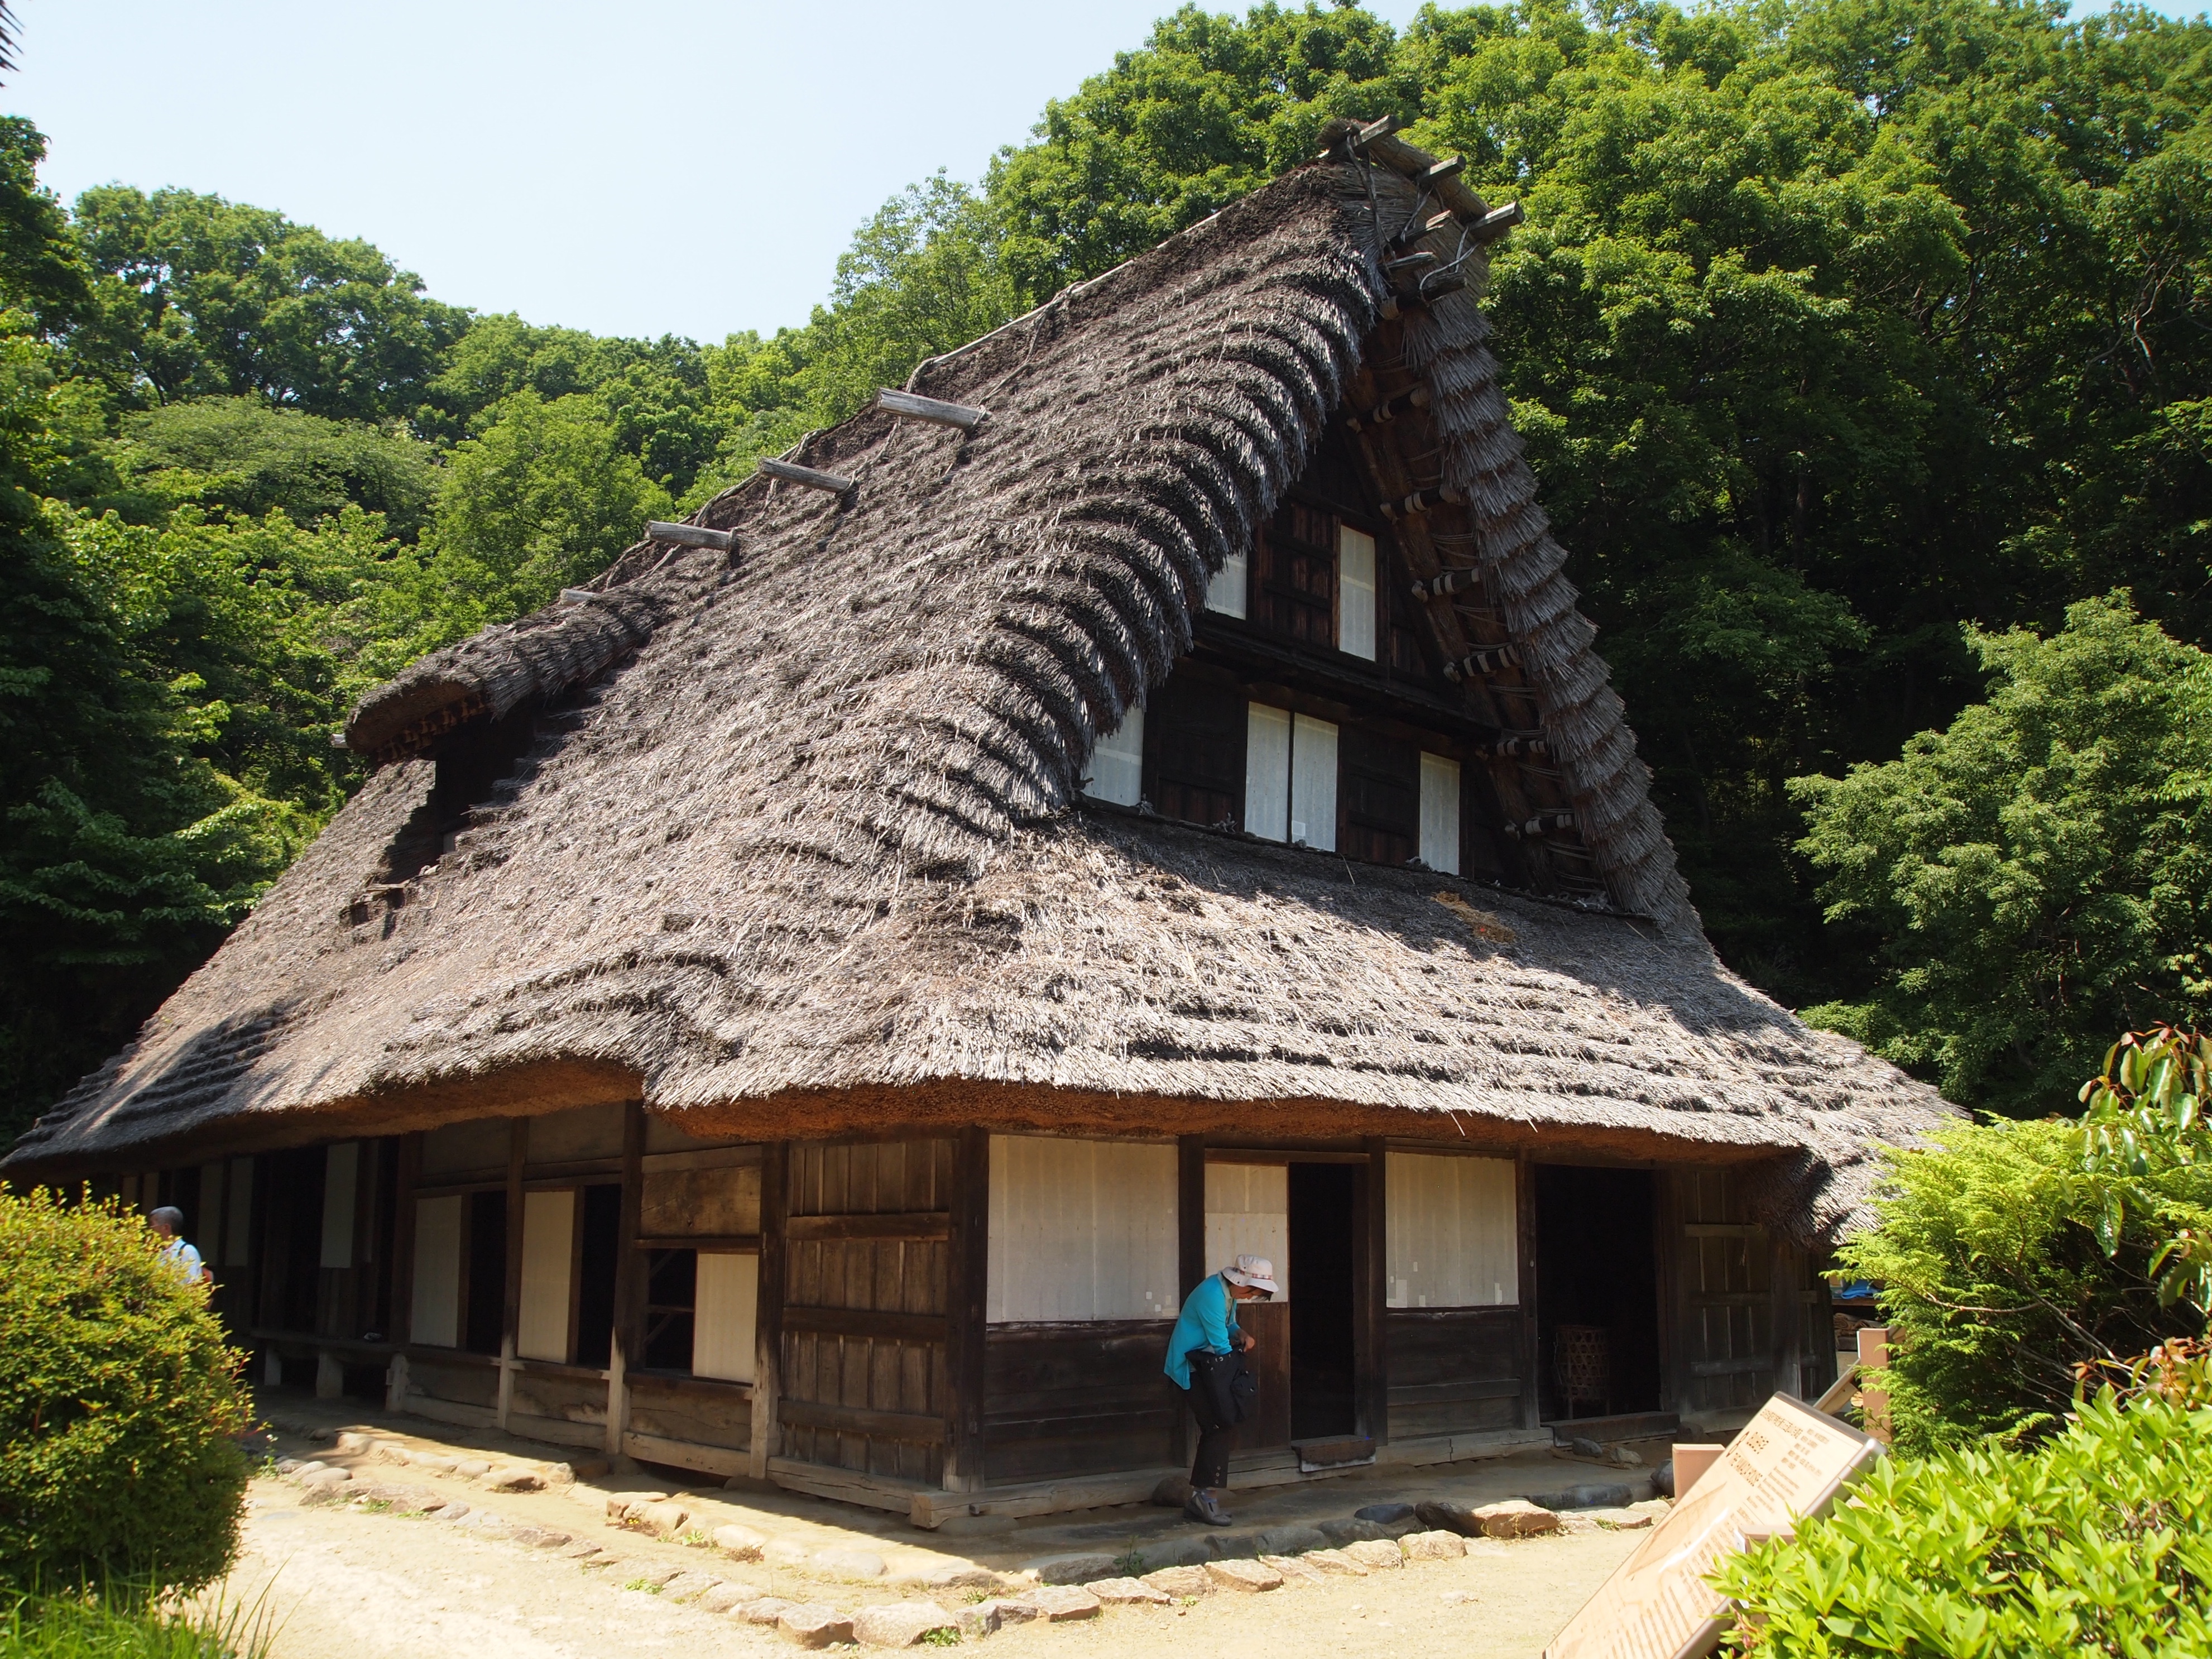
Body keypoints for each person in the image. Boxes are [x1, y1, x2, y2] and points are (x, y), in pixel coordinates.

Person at [1164, 1254, 1280, 1526]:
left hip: (1207, 1366)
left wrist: (1241, 1333)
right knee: (1219, 1426)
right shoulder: (1212, 1295)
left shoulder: (1227, 1292)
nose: (1252, 1298)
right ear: (1243, 1283)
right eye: (1254, 1292)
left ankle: (1203, 1499)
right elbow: (1220, 1344)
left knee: (1218, 1426)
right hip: (1190, 1368)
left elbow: (1228, 1326)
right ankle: (1205, 1499)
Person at [147, 1206, 209, 1285]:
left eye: (152, 1225)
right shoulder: (157, 1253)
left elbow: (193, 1286)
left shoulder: (187, 1251)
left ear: (166, 1227)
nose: (150, 1230)